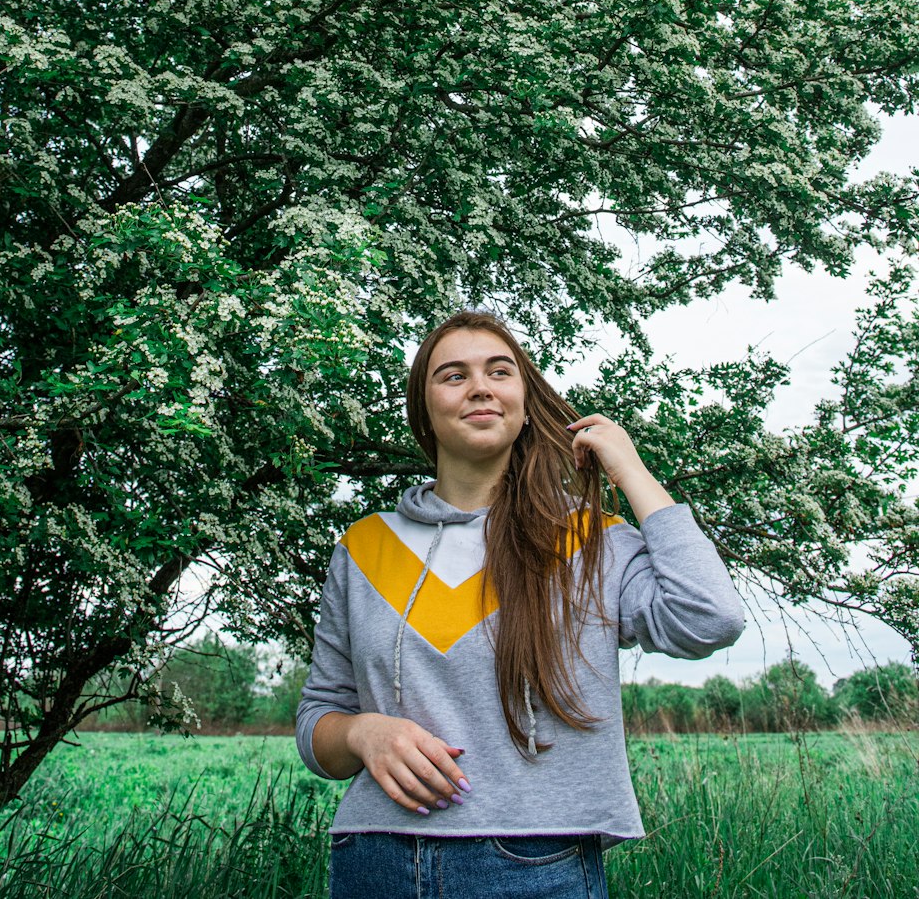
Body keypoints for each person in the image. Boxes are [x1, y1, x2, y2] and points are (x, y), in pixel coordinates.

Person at [295, 310, 746, 898]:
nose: (479, 386)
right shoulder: (364, 547)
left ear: (525, 401)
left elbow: (710, 618)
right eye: (452, 375)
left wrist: (629, 468)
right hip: (375, 858)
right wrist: (363, 735)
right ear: (424, 409)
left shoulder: (589, 541)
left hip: (539, 861)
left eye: (499, 371)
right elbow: (318, 719)